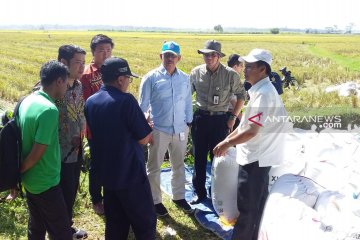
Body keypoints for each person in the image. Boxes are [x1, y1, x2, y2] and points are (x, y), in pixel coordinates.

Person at [213, 49, 288, 240]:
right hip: (258, 156)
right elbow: (247, 124)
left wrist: (227, 143)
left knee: (248, 207)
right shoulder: (260, 92)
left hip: (257, 158)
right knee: (257, 203)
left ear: (262, 69)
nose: (245, 70)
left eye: (250, 67)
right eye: (245, 66)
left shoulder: (263, 95)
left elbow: (251, 131)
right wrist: (226, 141)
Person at [84, 57, 156, 239]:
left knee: (115, 224)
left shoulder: (91, 102)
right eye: (128, 79)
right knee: (144, 223)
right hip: (131, 174)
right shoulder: (126, 101)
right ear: (120, 79)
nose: (129, 83)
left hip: (108, 175)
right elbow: (144, 138)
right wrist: (146, 123)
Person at [18, 60, 72, 239]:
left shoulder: (29, 100)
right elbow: (36, 154)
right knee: (61, 231)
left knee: (36, 225)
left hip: (31, 181)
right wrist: (18, 171)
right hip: (45, 181)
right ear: (59, 81)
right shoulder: (49, 110)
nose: (66, 87)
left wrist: (20, 175)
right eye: (66, 82)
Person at [139, 41, 193, 216]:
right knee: (154, 166)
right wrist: (145, 127)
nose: (170, 58)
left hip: (180, 129)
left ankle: (179, 196)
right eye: (167, 55)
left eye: (173, 55)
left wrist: (188, 123)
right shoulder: (151, 77)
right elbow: (142, 105)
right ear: (161, 56)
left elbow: (187, 103)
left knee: (178, 164)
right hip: (159, 129)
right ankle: (155, 201)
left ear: (179, 58)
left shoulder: (185, 78)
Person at [190, 40, 246, 204]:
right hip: (201, 118)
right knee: (199, 157)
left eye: (213, 54)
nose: (209, 57)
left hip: (221, 120)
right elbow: (185, 95)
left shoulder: (230, 74)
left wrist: (233, 117)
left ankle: (215, 191)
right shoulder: (196, 72)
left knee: (218, 157)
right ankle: (199, 193)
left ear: (219, 56)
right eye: (206, 54)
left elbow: (242, 96)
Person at [80, 34, 114, 215]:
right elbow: (86, 106)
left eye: (108, 50)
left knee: (111, 163)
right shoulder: (86, 75)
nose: (106, 54)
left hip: (114, 129)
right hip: (96, 130)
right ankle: (96, 198)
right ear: (93, 52)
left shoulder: (115, 70)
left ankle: (111, 197)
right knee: (97, 165)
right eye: (101, 50)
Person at [57, 45, 87, 239]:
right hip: (57, 152)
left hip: (76, 148)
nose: (82, 67)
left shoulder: (78, 85)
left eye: (84, 63)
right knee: (59, 193)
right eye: (78, 62)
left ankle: (65, 226)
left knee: (71, 190)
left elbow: (81, 110)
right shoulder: (52, 87)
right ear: (63, 62)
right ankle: (60, 230)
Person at [227, 53, 245, 129]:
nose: (242, 69)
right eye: (241, 66)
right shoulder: (232, 78)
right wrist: (242, 119)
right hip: (231, 115)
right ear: (235, 66)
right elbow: (233, 100)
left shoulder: (225, 75)